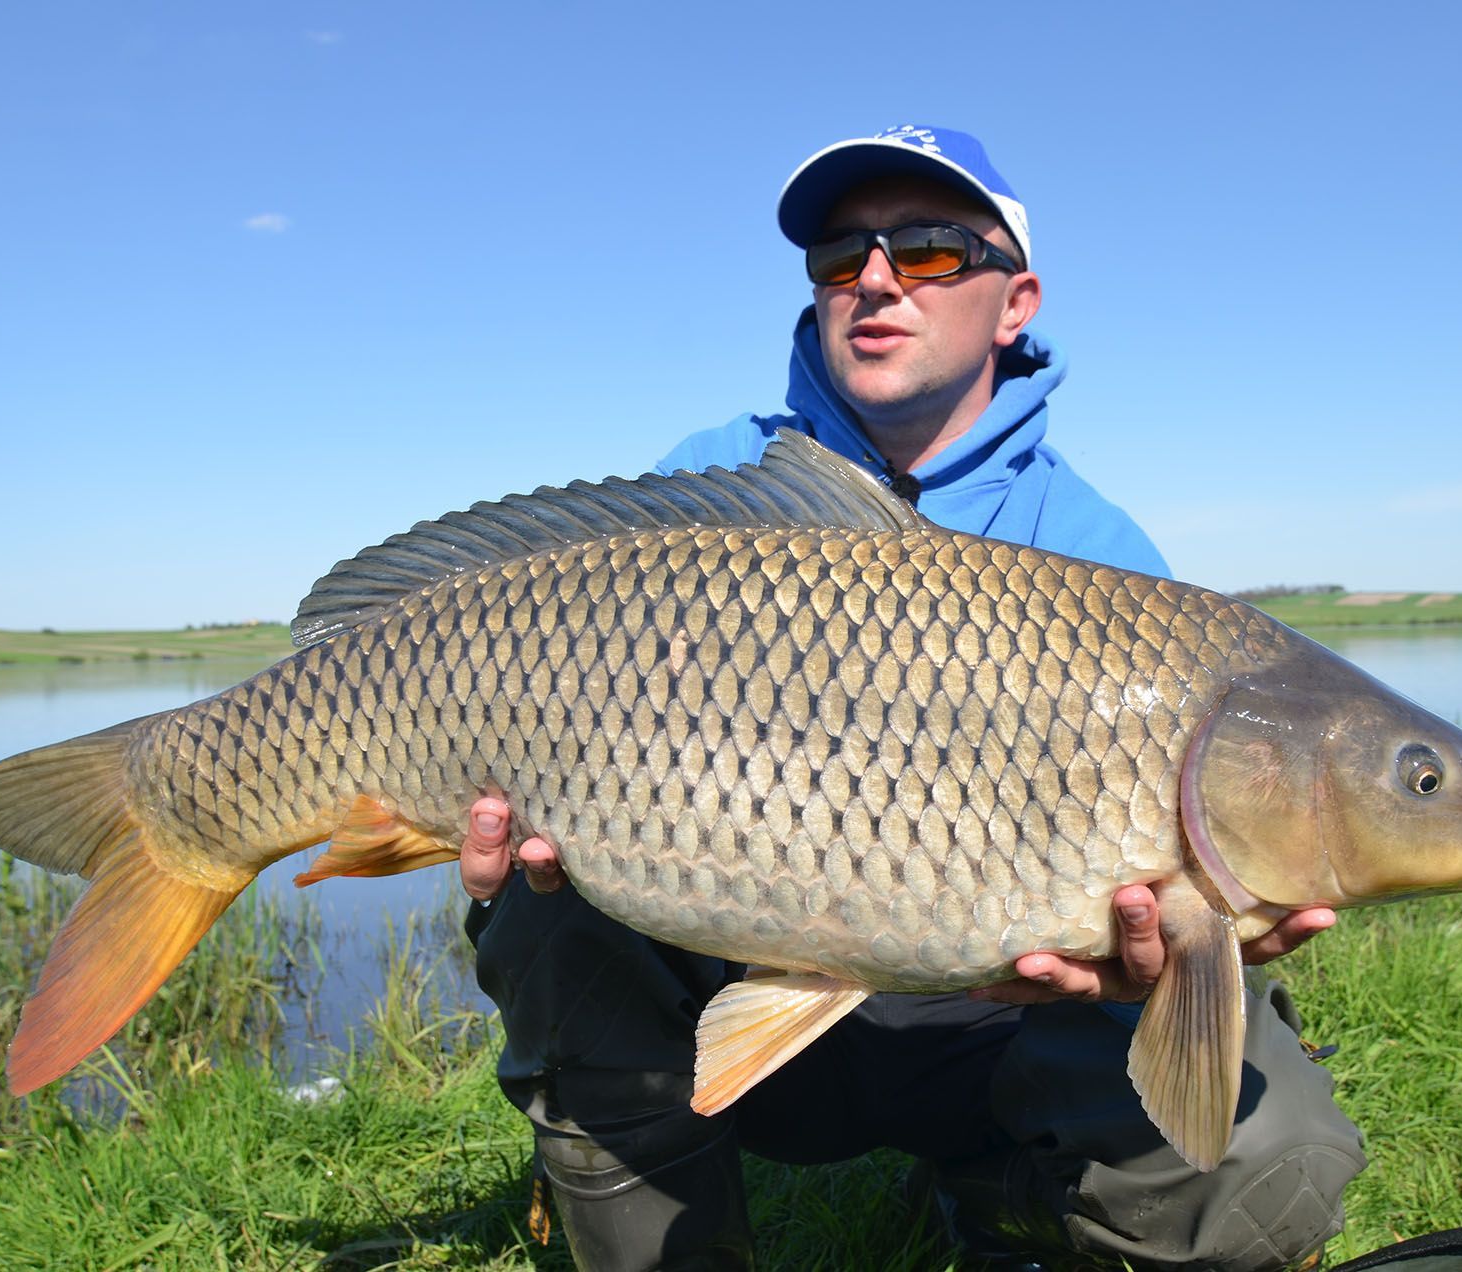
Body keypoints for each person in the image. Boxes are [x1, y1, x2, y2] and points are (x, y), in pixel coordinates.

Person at [460, 126, 1365, 1271]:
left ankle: (1007, 1204)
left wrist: (1193, 949)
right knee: (540, 902)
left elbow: (1167, 923)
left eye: (933, 252)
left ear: (1015, 300)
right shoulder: (711, 492)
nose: (877, 280)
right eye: (842, 258)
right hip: (734, 980)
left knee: (1265, 1151)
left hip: (991, 1026)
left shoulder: (1100, 554)